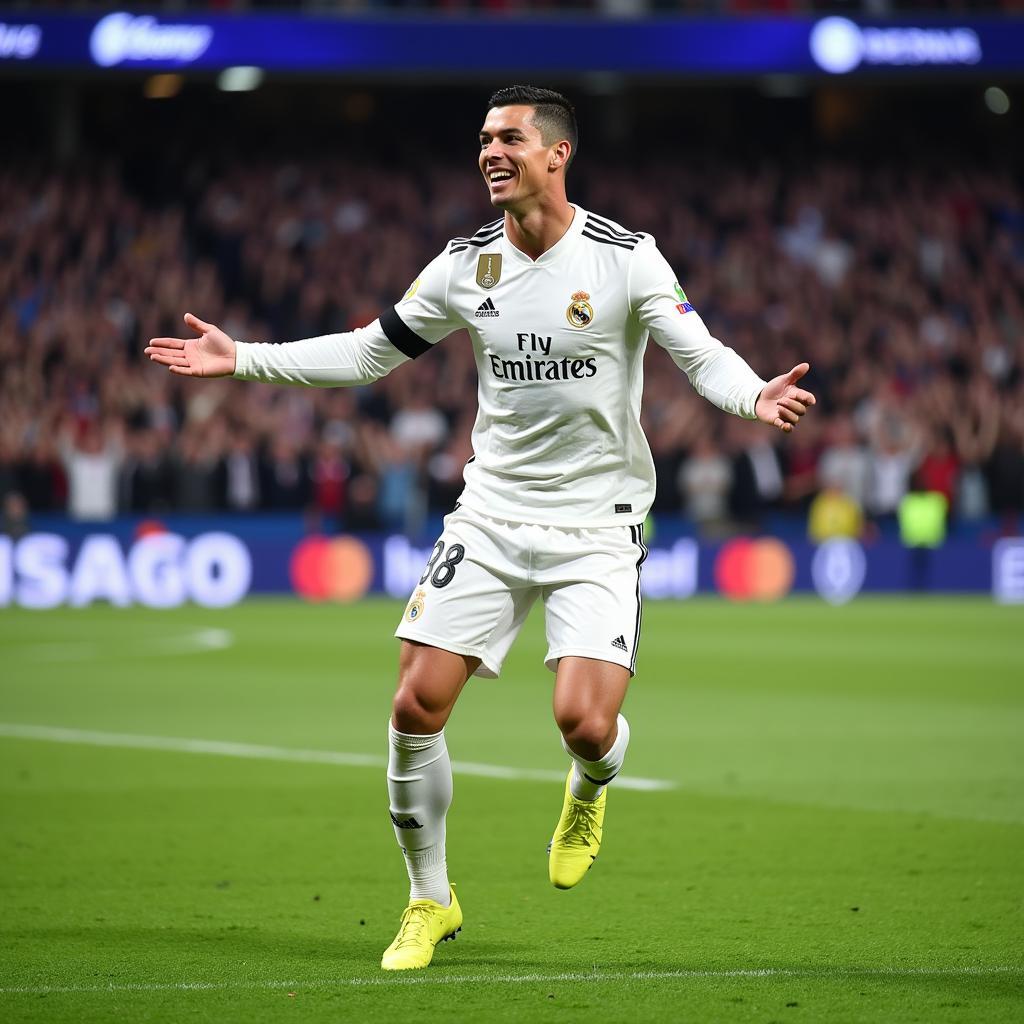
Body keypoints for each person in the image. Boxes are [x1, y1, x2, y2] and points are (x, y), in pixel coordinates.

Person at [145, 85, 815, 972]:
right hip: (492, 515)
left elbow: (700, 354)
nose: (488, 153)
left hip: (596, 526)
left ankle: (594, 781)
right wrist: (245, 360)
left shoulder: (626, 258)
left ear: (557, 154)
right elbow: (368, 350)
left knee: (582, 722)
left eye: (508, 138)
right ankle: (430, 900)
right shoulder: (464, 265)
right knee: (413, 705)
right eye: (482, 140)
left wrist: (752, 393)